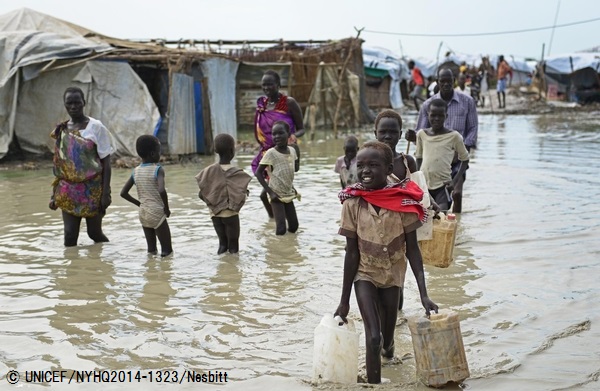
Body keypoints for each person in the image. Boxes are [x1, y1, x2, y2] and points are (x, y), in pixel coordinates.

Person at [333, 141, 438, 384]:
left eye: (373, 165)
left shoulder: (404, 202)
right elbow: (351, 255)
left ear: (389, 167)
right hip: (364, 274)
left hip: (392, 276)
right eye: (361, 166)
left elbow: (413, 251)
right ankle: (374, 385)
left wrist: (424, 295)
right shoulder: (352, 203)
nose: (366, 170)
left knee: (387, 344)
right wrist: (344, 300)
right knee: (373, 337)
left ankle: (388, 355)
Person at [49, 87, 113, 247]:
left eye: (77, 102)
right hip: (68, 190)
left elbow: (106, 162)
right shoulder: (62, 130)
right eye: (69, 103)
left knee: (94, 233)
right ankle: (72, 270)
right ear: (64, 105)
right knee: (69, 237)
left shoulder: (96, 127)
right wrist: (54, 194)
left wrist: (105, 194)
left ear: (84, 102)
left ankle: (107, 261)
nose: (73, 106)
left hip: (92, 190)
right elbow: (60, 165)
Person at [411, 68, 478, 213]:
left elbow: (472, 129)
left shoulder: (467, 102)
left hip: (458, 157)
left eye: (449, 81)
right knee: (429, 203)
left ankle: (456, 224)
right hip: (435, 160)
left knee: (457, 193)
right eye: (443, 81)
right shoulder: (428, 105)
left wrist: (462, 149)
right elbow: (420, 134)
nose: (446, 84)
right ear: (437, 82)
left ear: (454, 81)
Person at [253, 70, 305, 218]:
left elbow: (302, 128)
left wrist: (293, 137)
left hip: (284, 152)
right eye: (264, 85)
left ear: (278, 85)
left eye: (270, 84)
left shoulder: (289, 103)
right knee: (268, 193)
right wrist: (260, 145)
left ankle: (280, 224)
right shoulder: (262, 104)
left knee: (272, 192)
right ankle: (276, 221)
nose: (267, 88)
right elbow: (257, 128)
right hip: (267, 153)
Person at [195, 133, 252, 254]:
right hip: (231, 214)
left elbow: (201, 194)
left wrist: (214, 204)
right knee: (233, 247)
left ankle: (222, 268)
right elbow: (241, 192)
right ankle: (232, 271)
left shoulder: (209, 171)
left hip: (215, 214)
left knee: (222, 244)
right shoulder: (237, 173)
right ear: (232, 151)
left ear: (215, 150)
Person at [120, 135, 173, 257]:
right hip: (156, 212)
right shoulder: (158, 169)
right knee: (167, 252)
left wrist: (139, 203)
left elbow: (123, 193)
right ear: (153, 153)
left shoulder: (136, 171)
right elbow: (161, 190)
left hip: (143, 213)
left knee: (151, 251)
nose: (160, 154)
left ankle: (150, 272)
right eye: (159, 152)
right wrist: (167, 208)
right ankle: (165, 274)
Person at [415, 99, 470, 212]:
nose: (436, 119)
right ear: (428, 114)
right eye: (433, 115)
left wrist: (454, 181)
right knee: (425, 216)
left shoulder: (454, 136)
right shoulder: (421, 134)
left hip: (443, 185)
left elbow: (465, 159)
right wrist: (417, 180)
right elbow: (419, 158)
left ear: (446, 116)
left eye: (440, 115)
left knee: (441, 215)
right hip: (425, 185)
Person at [255, 121, 300, 235]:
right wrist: (270, 193)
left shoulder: (292, 151)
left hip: (288, 193)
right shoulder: (271, 153)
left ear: (288, 134)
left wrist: (298, 151)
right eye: (274, 134)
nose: (277, 137)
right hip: (276, 194)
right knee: (281, 229)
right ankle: (276, 250)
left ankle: (289, 247)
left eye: (280, 133)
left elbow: (295, 169)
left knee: (294, 226)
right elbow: (258, 173)